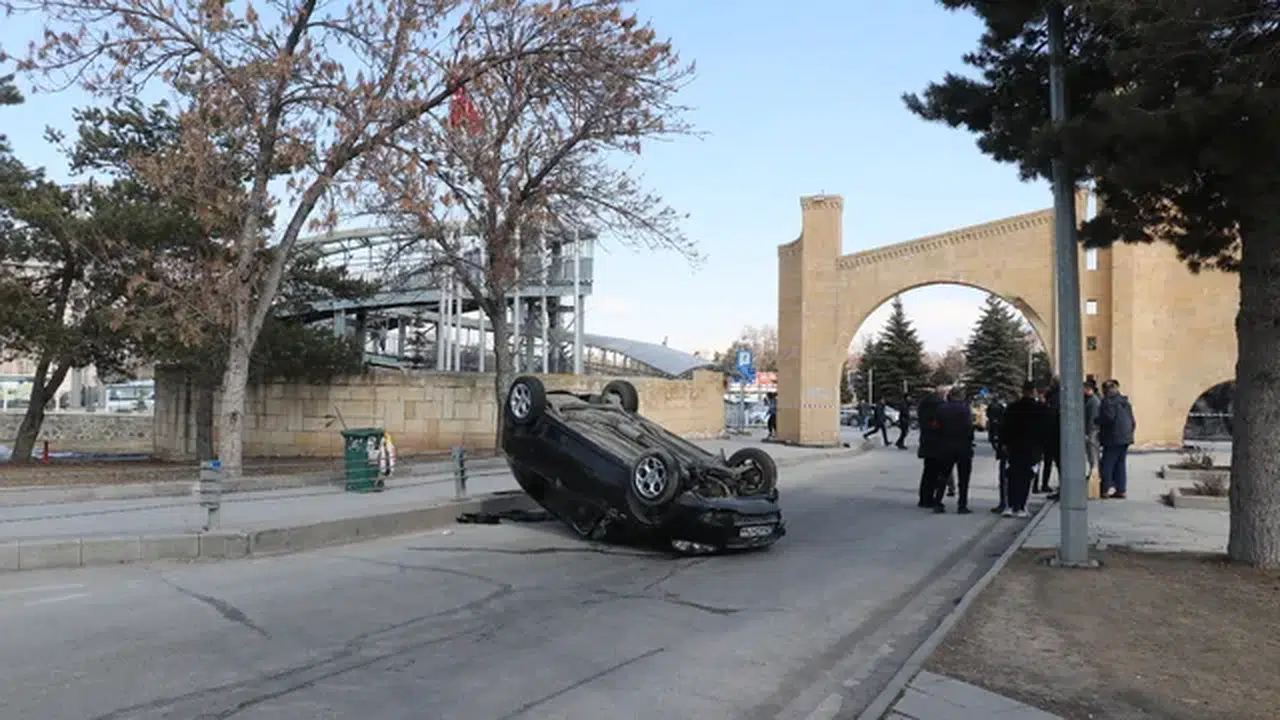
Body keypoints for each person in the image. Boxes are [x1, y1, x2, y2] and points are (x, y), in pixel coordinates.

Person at [999, 381, 1046, 518]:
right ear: (1034, 392)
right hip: (1032, 448)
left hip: (1014, 447)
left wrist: (1004, 443)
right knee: (1027, 477)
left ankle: (1010, 506)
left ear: (1023, 391)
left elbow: (1004, 427)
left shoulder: (1013, 407)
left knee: (1012, 476)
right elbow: (1044, 430)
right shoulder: (1040, 409)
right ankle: (1021, 507)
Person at [932, 386, 976, 514]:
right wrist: (970, 443)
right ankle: (962, 505)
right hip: (963, 447)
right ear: (961, 396)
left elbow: (936, 427)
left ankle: (938, 502)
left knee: (943, 475)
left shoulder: (941, 408)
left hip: (945, 446)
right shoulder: (965, 409)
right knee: (964, 478)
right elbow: (969, 428)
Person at [1098, 379, 1136, 499]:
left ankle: (1105, 489)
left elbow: (1108, 418)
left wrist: (1097, 420)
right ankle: (1121, 490)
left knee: (1107, 464)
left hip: (1113, 437)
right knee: (1120, 464)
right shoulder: (1125, 402)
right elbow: (1132, 421)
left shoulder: (1108, 402)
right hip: (1125, 437)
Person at [915, 387, 945, 508]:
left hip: (926, 441)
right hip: (938, 442)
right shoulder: (939, 406)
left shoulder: (923, 406)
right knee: (935, 472)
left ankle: (924, 498)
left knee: (928, 471)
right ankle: (930, 498)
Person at [1037, 377, 1061, 494]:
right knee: (1058, 462)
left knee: (1047, 461)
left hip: (1045, 434)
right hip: (1055, 434)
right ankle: (1060, 484)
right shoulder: (1058, 397)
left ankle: (1043, 484)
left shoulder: (1048, 397)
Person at [986, 395, 1009, 514]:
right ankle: (1008, 503)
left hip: (1007, 452)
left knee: (1004, 478)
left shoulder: (1001, 421)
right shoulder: (1003, 414)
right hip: (1012, 452)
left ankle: (1004, 503)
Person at [1083, 380, 1101, 488]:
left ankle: (1094, 475)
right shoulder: (1091, 400)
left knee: (1093, 455)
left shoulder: (1093, 401)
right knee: (1092, 454)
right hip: (1092, 431)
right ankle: (1093, 474)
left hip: (1092, 431)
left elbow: (1092, 419)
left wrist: (1087, 433)